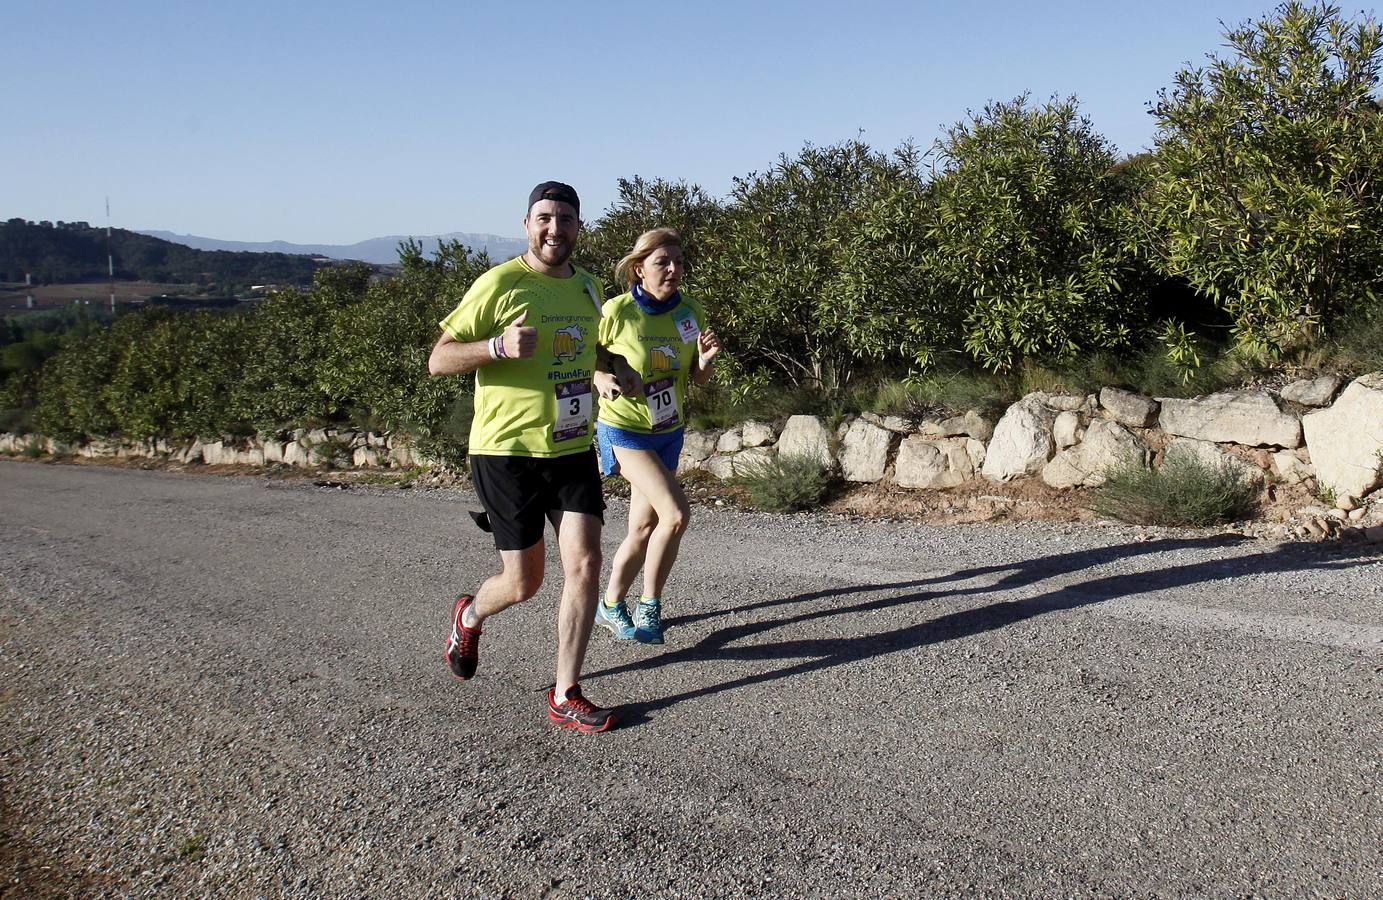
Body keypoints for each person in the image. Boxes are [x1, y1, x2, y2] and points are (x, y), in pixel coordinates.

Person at [427, 181, 641, 734]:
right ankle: (470, 615)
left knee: (586, 563)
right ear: (527, 224)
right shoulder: (500, 283)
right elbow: (439, 359)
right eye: (544, 218)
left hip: (571, 448)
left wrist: (617, 366)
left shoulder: (591, 289)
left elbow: (593, 346)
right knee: (524, 583)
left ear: (578, 228)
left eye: (565, 219)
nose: (555, 228)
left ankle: (566, 691)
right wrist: (495, 347)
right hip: (506, 452)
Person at [591, 228, 720, 645]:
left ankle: (609, 604)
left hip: (668, 430)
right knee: (677, 515)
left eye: (679, 262)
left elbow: (697, 379)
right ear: (638, 269)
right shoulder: (617, 311)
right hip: (625, 429)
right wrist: (599, 378)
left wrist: (704, 361)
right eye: (663, 262)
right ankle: (651, 604)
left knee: (643, 529)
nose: (673, 270)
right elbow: (583, 357)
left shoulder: (690, 312)